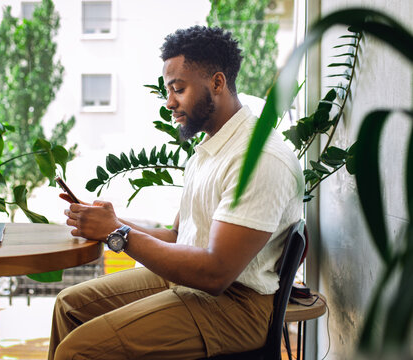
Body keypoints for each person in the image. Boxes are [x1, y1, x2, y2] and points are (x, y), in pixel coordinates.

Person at [49, 25, 304, 360]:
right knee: (69, 306)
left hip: (236, 305)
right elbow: (176, 236)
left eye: (178, 89)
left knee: (78, 351)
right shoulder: (212, 147)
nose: (169, 102)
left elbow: (215, 273)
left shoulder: (258, 160)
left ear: (217, 83)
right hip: (190, 284)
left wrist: (117, 233)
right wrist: (110, 221)